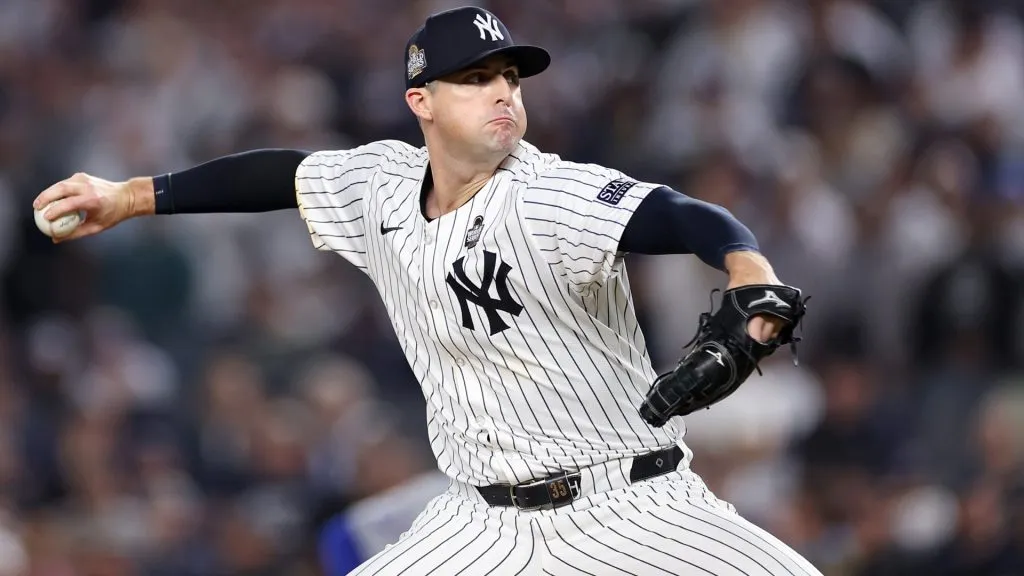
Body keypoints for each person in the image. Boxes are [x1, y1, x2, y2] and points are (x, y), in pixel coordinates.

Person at [34, 6, 822, 575]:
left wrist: (747, 267)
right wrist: (130, 195)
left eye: (509, 76)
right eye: (476, 79)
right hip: (482, 524)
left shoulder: (550, 193)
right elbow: (280, 175)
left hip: (633, 506)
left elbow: (680, 214)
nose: (503, 92)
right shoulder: (380, 183)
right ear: (423, 103)